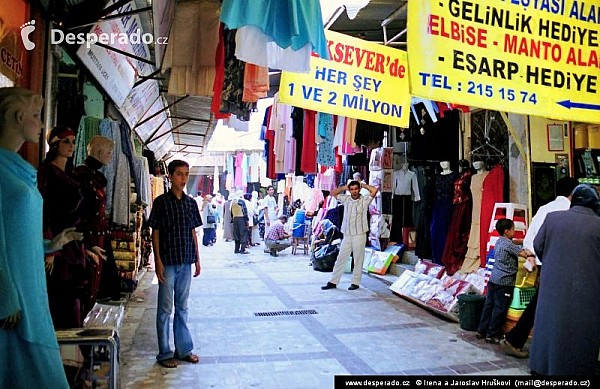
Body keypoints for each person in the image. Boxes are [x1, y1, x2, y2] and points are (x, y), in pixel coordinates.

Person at [0, 86, 83, 387]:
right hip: (13, 292)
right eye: (36, 116)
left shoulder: (22, 170)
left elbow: (19, 230)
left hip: (31, 282)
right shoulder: (5, 172)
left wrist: (52, 243)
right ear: (18, 116)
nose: (40, 123)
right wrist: (6, 294)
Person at [500, 177, 579, 358]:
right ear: (573, 192)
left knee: (542, 303)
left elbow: (530, 240)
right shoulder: (570, 210)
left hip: (543, 263)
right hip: (560, 265)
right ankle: (518, 340)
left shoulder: (545, 209)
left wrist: (535, 258)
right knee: (546, 304)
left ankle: (519, 339)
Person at [529, 184, 600, 375]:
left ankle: (542, 366)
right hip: (587, 289)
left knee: (549, 327)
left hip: (551, 286)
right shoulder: (597, 224)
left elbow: (538, 245)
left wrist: (553, 262)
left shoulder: (553, 218)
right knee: (580, 332)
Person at [148, 160, 202, 368]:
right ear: (170, 176)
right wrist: (157, 262)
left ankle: (184, 349)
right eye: (179, 174)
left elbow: (193, 233)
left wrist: (197, 259)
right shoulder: (161, 202)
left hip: (186, 260)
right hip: (168, 262)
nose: (183, 178)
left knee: (182, 307)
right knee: (164, 309)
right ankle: (164, 353)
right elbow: (156, 233)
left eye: (186, 174)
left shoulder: (191, 203)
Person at [38, 126, 87, 329]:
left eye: (74, 142)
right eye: (66, 141)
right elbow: (42, 209)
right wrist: (50, 248)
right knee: (59, 296)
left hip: (73, 244)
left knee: (73, 297)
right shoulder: (47, 173)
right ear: (55, 143)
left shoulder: (70, 174)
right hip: (58, 245)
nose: (71, 146)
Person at [476, 218, 534, 344]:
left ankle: (482, 330)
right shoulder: (509, 245)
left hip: (493, 279)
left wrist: (525, 241)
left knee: (489, 305)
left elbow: (515, 243)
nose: (514, 232)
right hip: (504, 282)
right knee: (500, 308)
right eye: (513, 229)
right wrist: (531, 254)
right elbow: (523, 254)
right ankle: (492, 334)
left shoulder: (500, 242)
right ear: (507, 231)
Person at [74, 135, 114, 312]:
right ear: (99, 152)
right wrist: (87, 244)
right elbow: (79, 213)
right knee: (87, 283)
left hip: (97, 236)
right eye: (109, 152)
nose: (111, 156)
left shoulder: (94, 176)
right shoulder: (81, 176)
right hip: (88, 239)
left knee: (94, 284)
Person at [322, 180, 378, 291]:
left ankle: (355, 283)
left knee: (358, 259)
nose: (354, 191)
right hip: (347, 234)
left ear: (359, 189)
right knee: (341, 258)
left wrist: (363, 185)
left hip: (359, 234)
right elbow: (333, 193)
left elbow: (374, 190)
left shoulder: (364, 200)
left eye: (356, 189)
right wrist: (344, 188)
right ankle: (333, 281)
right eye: (352, 189)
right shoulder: (346, 199)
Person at [231, 190, 250, 254]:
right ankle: (243, 249)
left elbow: (231, 211)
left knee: (236, 234)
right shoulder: (241, 201)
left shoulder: (233, 201)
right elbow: (245, 211)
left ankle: (236, 249)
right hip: (241, 219)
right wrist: (247, 220)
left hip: (235, 219)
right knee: (243, 234)